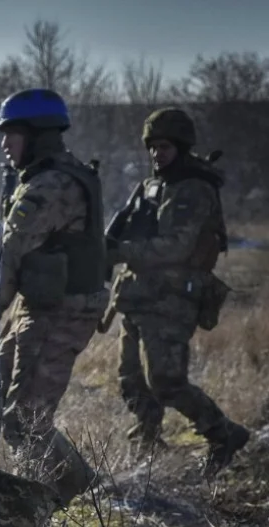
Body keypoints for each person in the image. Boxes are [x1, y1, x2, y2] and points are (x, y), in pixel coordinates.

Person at [107, 107, 248, 477]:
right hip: (140, 294)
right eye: (152, 147)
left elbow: (175, 247)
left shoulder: (193, 189)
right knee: (131, 377)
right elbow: (124, 228)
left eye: (165, 146)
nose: (157, 154)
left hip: (173, 298)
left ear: (182, 147)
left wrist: (120, 251)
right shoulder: (155, 185)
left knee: (166, 381)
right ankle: (148, 441)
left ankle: (224, 434)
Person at [0, 89, 107, 505]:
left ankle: (66, 493)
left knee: (26, 420)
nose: (5, 144)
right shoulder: (54, 175)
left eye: (12, 134)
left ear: (38, 135)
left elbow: (10, 254)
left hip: (58, 310)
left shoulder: (50, 185)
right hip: (41, 303)